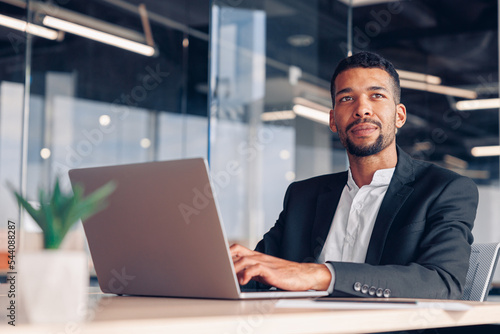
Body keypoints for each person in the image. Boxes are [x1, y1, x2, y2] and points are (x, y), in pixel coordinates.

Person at [230, 51, 478, 299]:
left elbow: (442, 283)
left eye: (377, 95)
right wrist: (224, 268)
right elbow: (259, 273)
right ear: (333, 119)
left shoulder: (446, 189)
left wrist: (320, 275)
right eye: (347, 98)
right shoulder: (302, 196)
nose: (362, 109)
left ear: (399, 115)